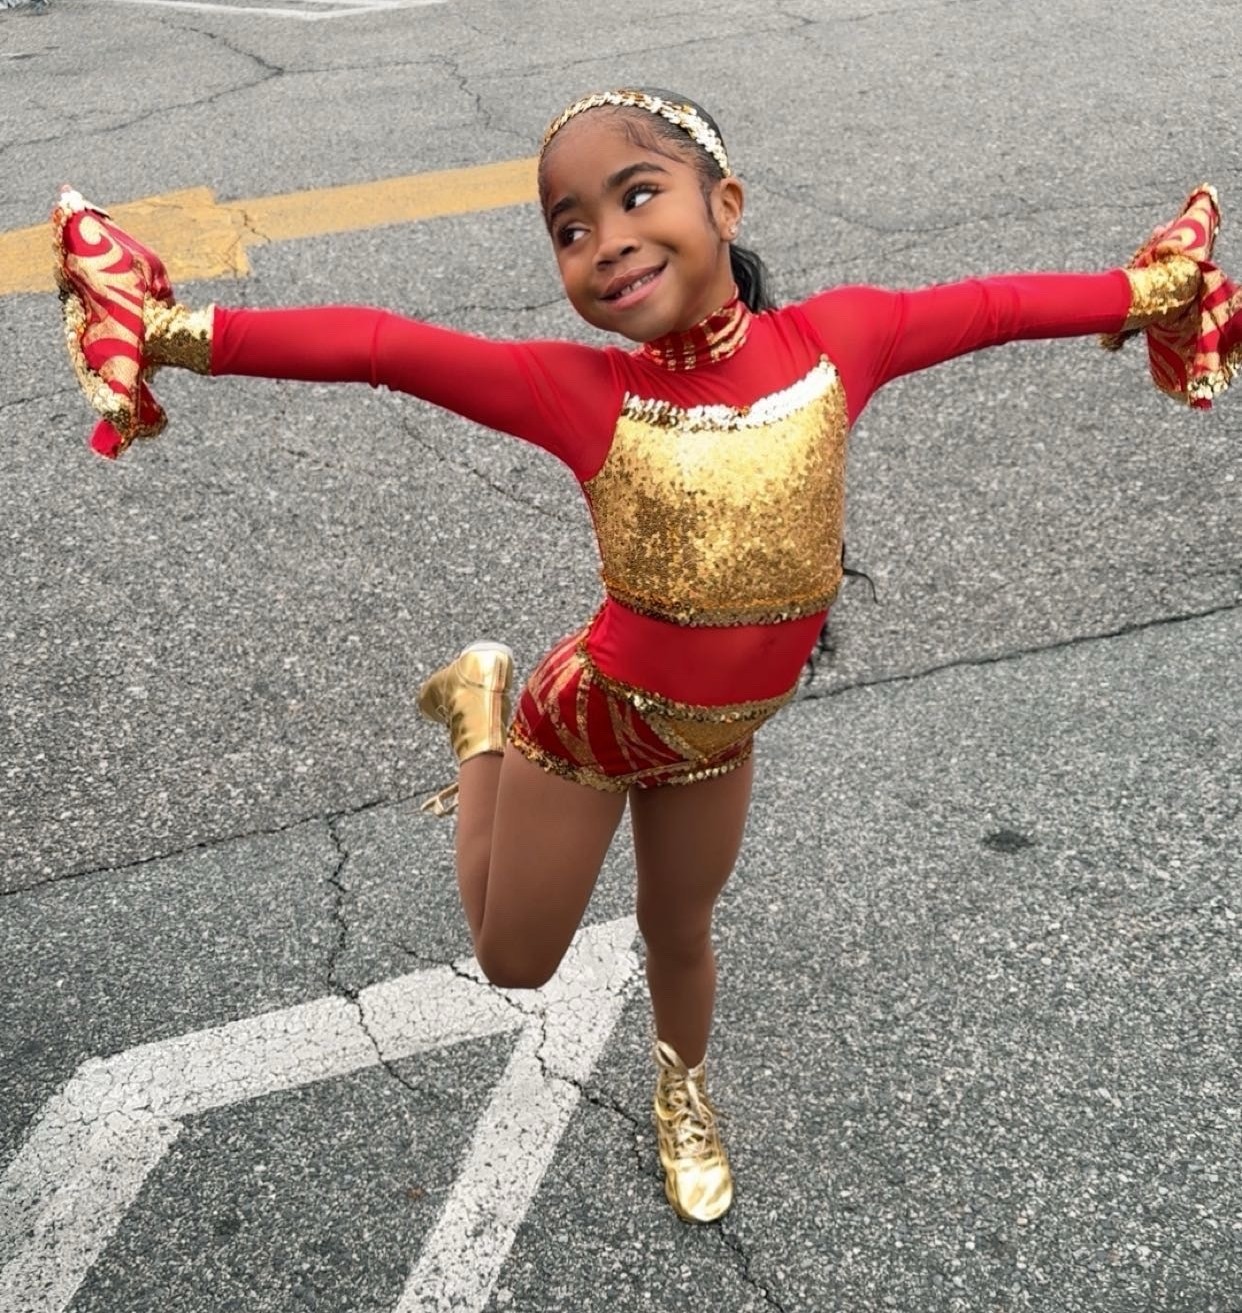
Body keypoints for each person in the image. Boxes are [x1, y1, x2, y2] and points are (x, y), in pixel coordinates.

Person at [52, 87, 1237, 1225]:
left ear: (726, 202)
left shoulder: (840, 344)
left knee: (682, 930)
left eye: (635, 197)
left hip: (722, 734)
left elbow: (994, 306)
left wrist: (1151, 288)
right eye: (571, 230)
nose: (606, 243)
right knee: (515, 961)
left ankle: (682, 1090)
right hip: (591, 721)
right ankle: (483, 711)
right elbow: (384, 346)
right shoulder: (583, 392)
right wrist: (169, 331)